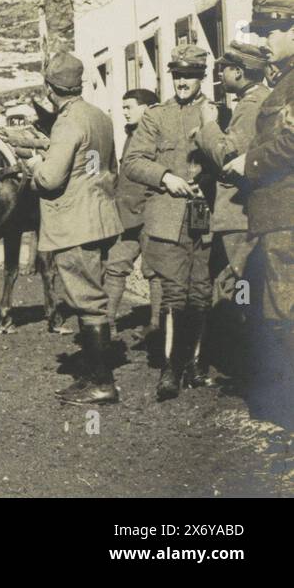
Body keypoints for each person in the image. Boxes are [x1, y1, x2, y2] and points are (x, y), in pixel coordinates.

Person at [25, 52, 123, 405]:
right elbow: (109, 168)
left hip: (74, 224)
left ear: (50, 88)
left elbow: (51, 179)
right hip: (99, 216)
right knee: (92, 298)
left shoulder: (66, 123)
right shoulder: (100, 117)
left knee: (87, 301)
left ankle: (100, 383)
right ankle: (94, 376)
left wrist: (35, 168)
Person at [122, 45, 217, 402]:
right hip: (168, 217)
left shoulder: (215, 114)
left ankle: (194, 364)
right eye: (177, 75)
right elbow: (133, 161)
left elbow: (229, 155)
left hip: (205, 215)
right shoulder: (156, 117)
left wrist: (205, 180)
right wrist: (165, 177)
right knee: (174, 293)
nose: (182, 82)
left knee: (202, 292)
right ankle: (170, 369)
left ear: (201, 77)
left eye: (189, 75)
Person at [194, 41, 270, 384]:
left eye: (223, 69)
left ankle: (243, 370)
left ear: (238, 72)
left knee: (239, 289)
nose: (219, 75)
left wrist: (208, 126)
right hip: (246, 214)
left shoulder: (251, 107)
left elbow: (229, 156)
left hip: (240, 215)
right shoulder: (257, 100)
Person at [236, 0, 294, 428]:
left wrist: (248, 163)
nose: (264, 41)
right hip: (277, 217)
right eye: (260, 32)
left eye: (271, 31)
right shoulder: (284, 79)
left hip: (286, 217)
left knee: (284, 315)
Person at [105, 88, 163, 348]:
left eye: (129, 106)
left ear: (148, 108)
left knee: (155, 272)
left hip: (151, 214)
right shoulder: (131, 135)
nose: (124, 111)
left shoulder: (158, 134)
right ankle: (107, 324)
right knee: (115, 267)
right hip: (127, 214)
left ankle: (156, 325)